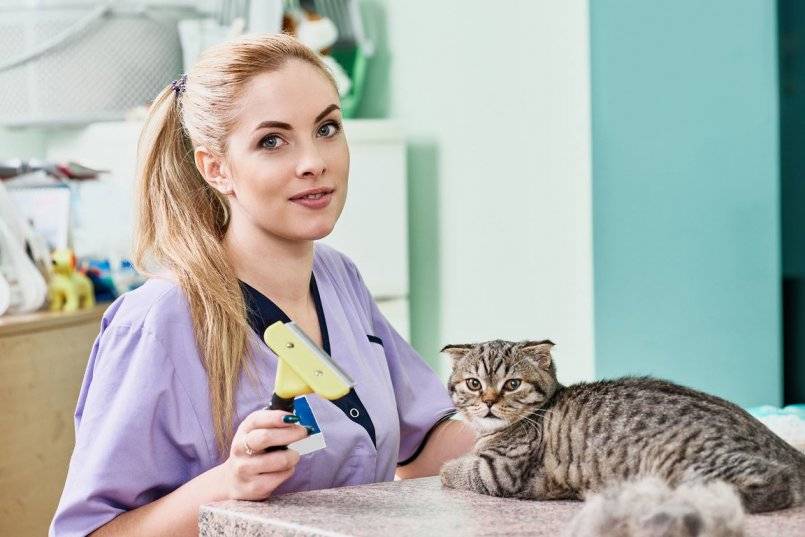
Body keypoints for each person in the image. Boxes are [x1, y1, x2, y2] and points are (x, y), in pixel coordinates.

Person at [50, 33, 475, 536]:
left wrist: (544, 432)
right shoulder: (159, 319)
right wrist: (228, 483)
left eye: (327, 128)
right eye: (272, 141)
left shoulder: (338, 279)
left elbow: (425, 444)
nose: (314, 161)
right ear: (216, 168)